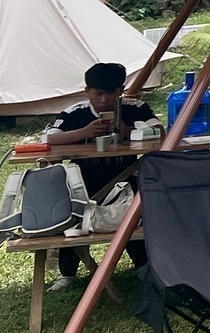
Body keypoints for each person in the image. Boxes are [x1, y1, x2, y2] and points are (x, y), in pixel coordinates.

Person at [44, 62, 153, 290]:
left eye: (111, 93)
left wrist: (127, 131)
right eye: (98, 94)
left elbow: (159, 130)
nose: (103, 100)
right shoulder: (76, 112)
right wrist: (84, 132)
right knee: (70, 217)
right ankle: (68, 273)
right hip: (83, 185)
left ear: (120, 91)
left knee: (137, 216)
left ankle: (143, 265)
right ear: (88, 92)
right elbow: (51, 138)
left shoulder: (135, 108)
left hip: (127, 183)